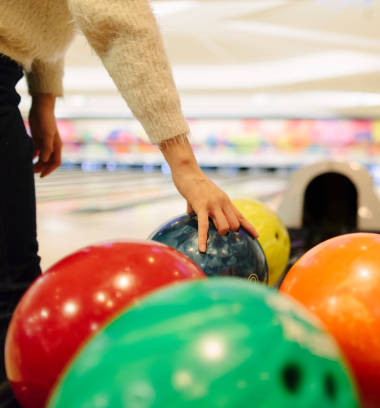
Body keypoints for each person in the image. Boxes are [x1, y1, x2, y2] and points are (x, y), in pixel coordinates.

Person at [0, 1, 257, 405]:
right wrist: (185, 165)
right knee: (11, 287)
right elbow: (117, 18)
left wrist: (44, 98)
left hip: (9, 74)